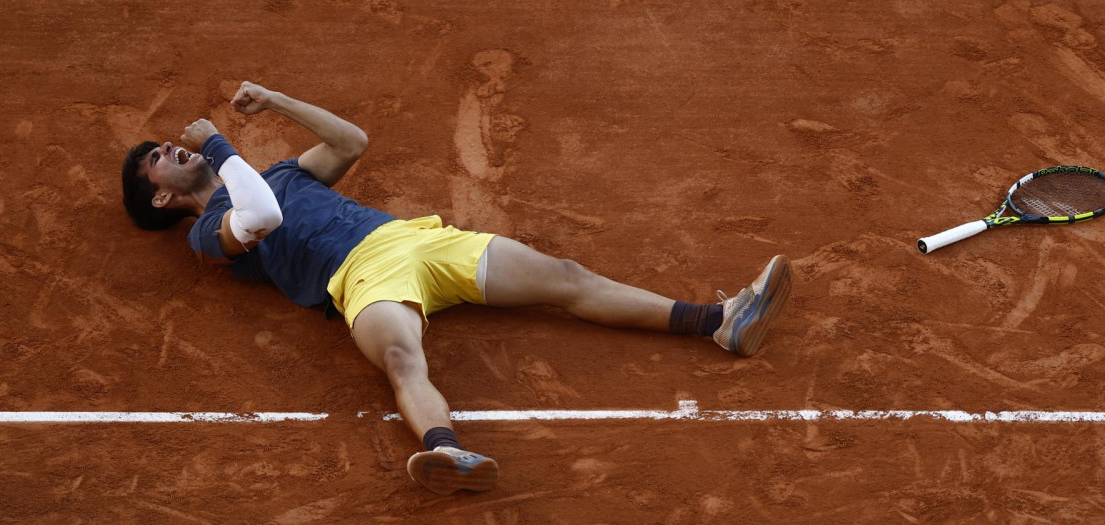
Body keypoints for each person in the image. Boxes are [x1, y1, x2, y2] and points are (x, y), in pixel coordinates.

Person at [120, 81, 793, 495]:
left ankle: (720, 321)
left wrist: (276, 100)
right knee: (402, 359)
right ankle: (446, 451)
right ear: (157, 200)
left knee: (565, 277)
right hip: (358, 278)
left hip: (418, 241)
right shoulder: (208, 232)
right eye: (156, 158)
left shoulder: (282, 175)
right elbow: (258, 216)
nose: (168, 150)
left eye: (167, 145)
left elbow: (352, 140)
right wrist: (216, 149)